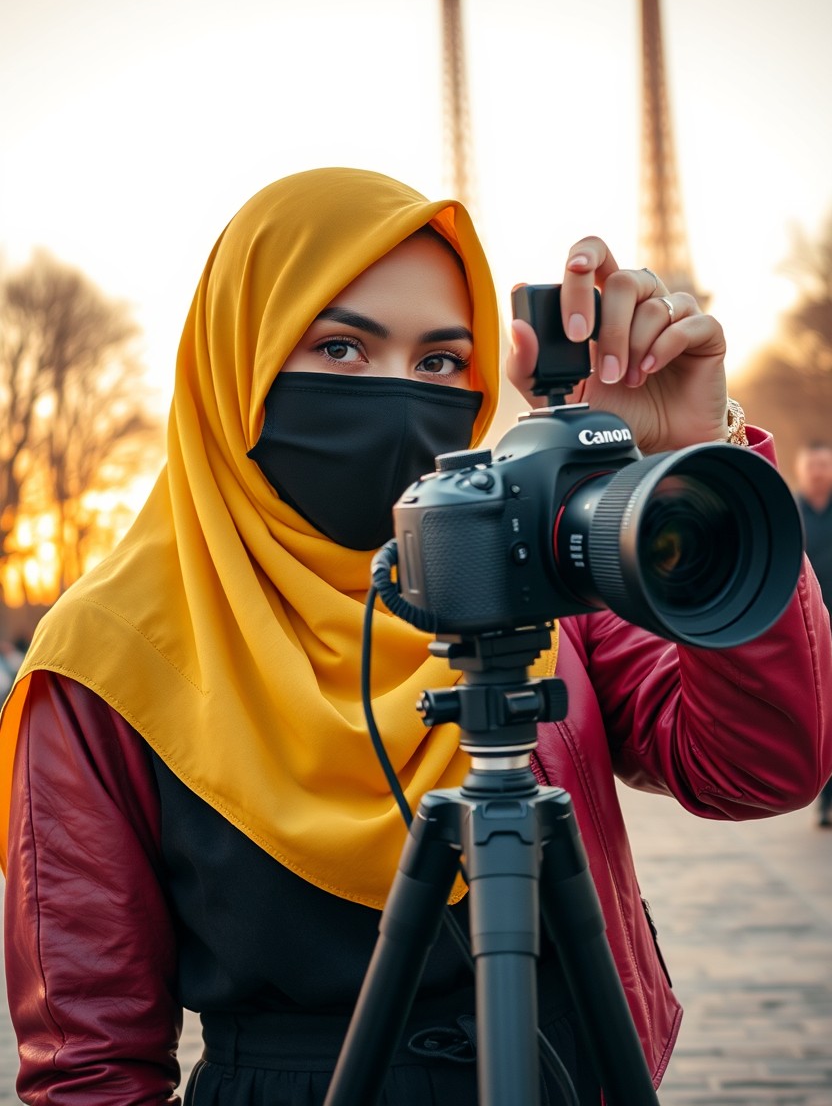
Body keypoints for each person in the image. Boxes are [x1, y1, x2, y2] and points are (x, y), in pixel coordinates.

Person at [1, 167, 830, 1106]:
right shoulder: (103, 661)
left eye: (440, 362)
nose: (401, 395)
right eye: (343, 348)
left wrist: (690, 460)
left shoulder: (537, 566)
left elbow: (764, 767)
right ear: (239, 363)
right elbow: (91, 1066)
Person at [793, 440, 832, 825]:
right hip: (811, 631)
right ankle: (824, 799)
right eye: (812, 465)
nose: (818, 471)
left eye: (824, 464)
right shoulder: (786, 510)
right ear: (801, 469)